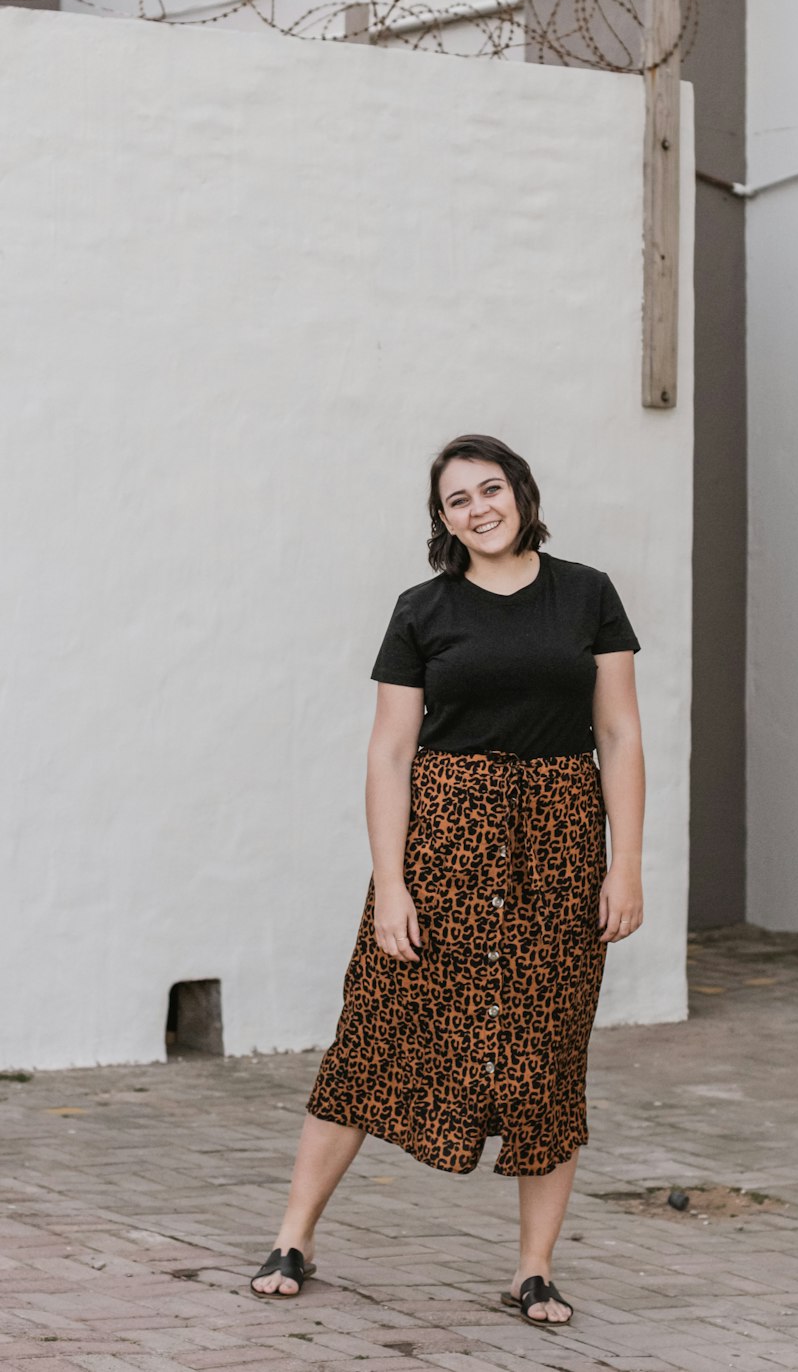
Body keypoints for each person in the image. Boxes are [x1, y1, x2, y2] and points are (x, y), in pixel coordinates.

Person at [251, 432, 645, 1326]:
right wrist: (390, 883)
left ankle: (533, 1270)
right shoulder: (422, 610)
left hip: (560, 845)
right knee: (374, 1035)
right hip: (443, 848)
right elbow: (390, 754)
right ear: (443, 520)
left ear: (522, 493)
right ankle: (294, 1235)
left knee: (546, 1054)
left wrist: (626, 864)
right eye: (458, 499)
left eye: (491, 488)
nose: (480, 508)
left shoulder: (587, 595)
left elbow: (618, 734)